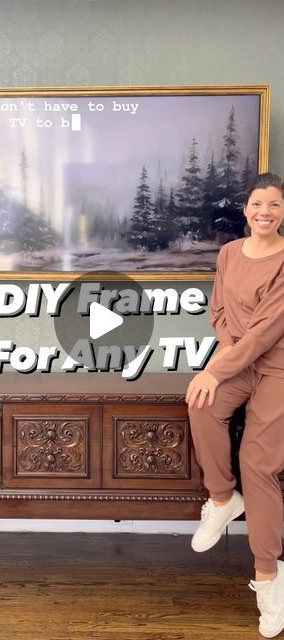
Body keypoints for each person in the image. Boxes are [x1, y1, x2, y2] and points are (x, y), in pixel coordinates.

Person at [186, 172, 284, 639]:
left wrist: (217, 366)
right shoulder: (228, 253)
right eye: (258, 204)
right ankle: (223, 499)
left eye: (275, 205)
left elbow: (266, 333)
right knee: (201, 403)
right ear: (246, 209)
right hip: (235, 360)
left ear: (283, 213)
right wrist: (222, 359)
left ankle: (269, 576)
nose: (265, 212)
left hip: (278, 369)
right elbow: (219, 310)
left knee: (258, 463)